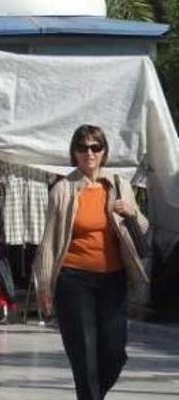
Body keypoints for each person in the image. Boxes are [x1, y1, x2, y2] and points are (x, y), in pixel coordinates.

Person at [33, 125, 148, 400]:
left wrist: (131, 212)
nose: (89, 153)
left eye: (96, 147)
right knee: (84, 356)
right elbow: (48, 243)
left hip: (113, 279)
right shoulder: (63, 190)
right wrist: (44, 288)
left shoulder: (119, 185)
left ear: (104, 151)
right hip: (73, 280)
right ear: (74, 153)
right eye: (83, 147)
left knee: (114, 353)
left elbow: (143, 229)